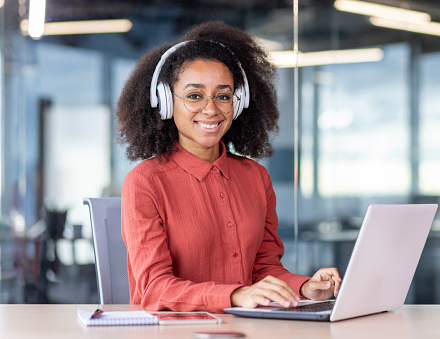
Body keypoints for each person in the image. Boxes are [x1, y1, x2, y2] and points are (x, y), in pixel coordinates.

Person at [116, 20, 341, 313]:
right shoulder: (145, 181)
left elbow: (263, 269)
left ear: (239, 101)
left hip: (246, 328)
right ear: (166, 102)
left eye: (223, 96)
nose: (211, 109)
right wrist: (236, 295)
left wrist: (305, 287)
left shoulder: (255, 177)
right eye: (194, 96)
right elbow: (154, 289)